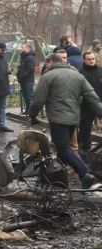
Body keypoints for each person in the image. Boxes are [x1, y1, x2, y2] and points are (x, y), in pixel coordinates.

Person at [28, 54, 102, 189]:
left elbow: (38, 99)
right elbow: (92, 96)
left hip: (58, 118)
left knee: (64, 148)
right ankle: (54, 176)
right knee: (63, 149)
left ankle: (85, 174)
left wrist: (32, 115)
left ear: (50, 62)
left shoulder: (48, 76)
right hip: (74, 118)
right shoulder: (77, 75)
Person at [79, 50, 102, 156]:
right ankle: (86, 148)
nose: (92, 61)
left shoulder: (100, 71)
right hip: (86, 105)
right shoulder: (80, 73)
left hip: (100, 103)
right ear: (84, 60)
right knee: (85, 127)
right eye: (89, 59)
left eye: (93, 59)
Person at [16, 43, 36, 115]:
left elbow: (30, 69)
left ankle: (31, 112)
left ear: (28, 49)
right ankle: (27, 110)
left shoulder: (30, 57)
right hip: (23, 80)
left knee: (28, 96)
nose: (21, 49)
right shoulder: (24, 57)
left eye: (22, 47)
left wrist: (23, 75)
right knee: (25, 96)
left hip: (28, 80)